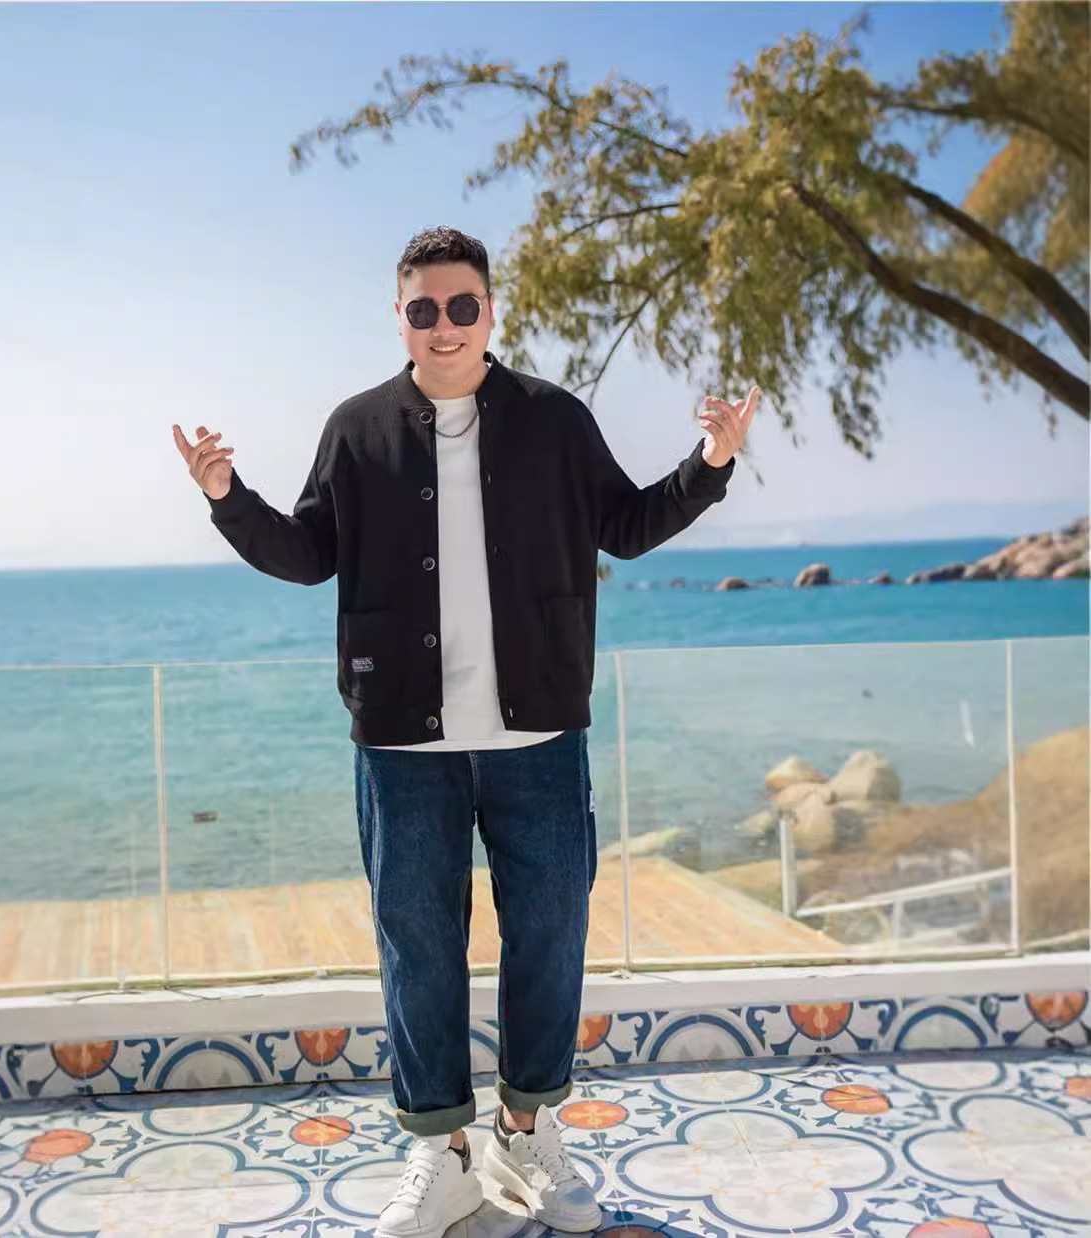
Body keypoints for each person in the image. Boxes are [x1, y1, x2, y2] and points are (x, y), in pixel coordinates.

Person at [173, 226, 756, 1238]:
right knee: (418, 948)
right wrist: (228, 497)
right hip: (401, 744)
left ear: (490, 312)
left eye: (461, 306)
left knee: (550, 935)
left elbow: (624, 526)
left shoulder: (552, 418)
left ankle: (524, 1133)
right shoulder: (357, 429)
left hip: (538, 736)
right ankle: (440, 1152)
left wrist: (711, 462)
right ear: (398, 318)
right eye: (422, 309)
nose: (443, 326)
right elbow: (308, 553)